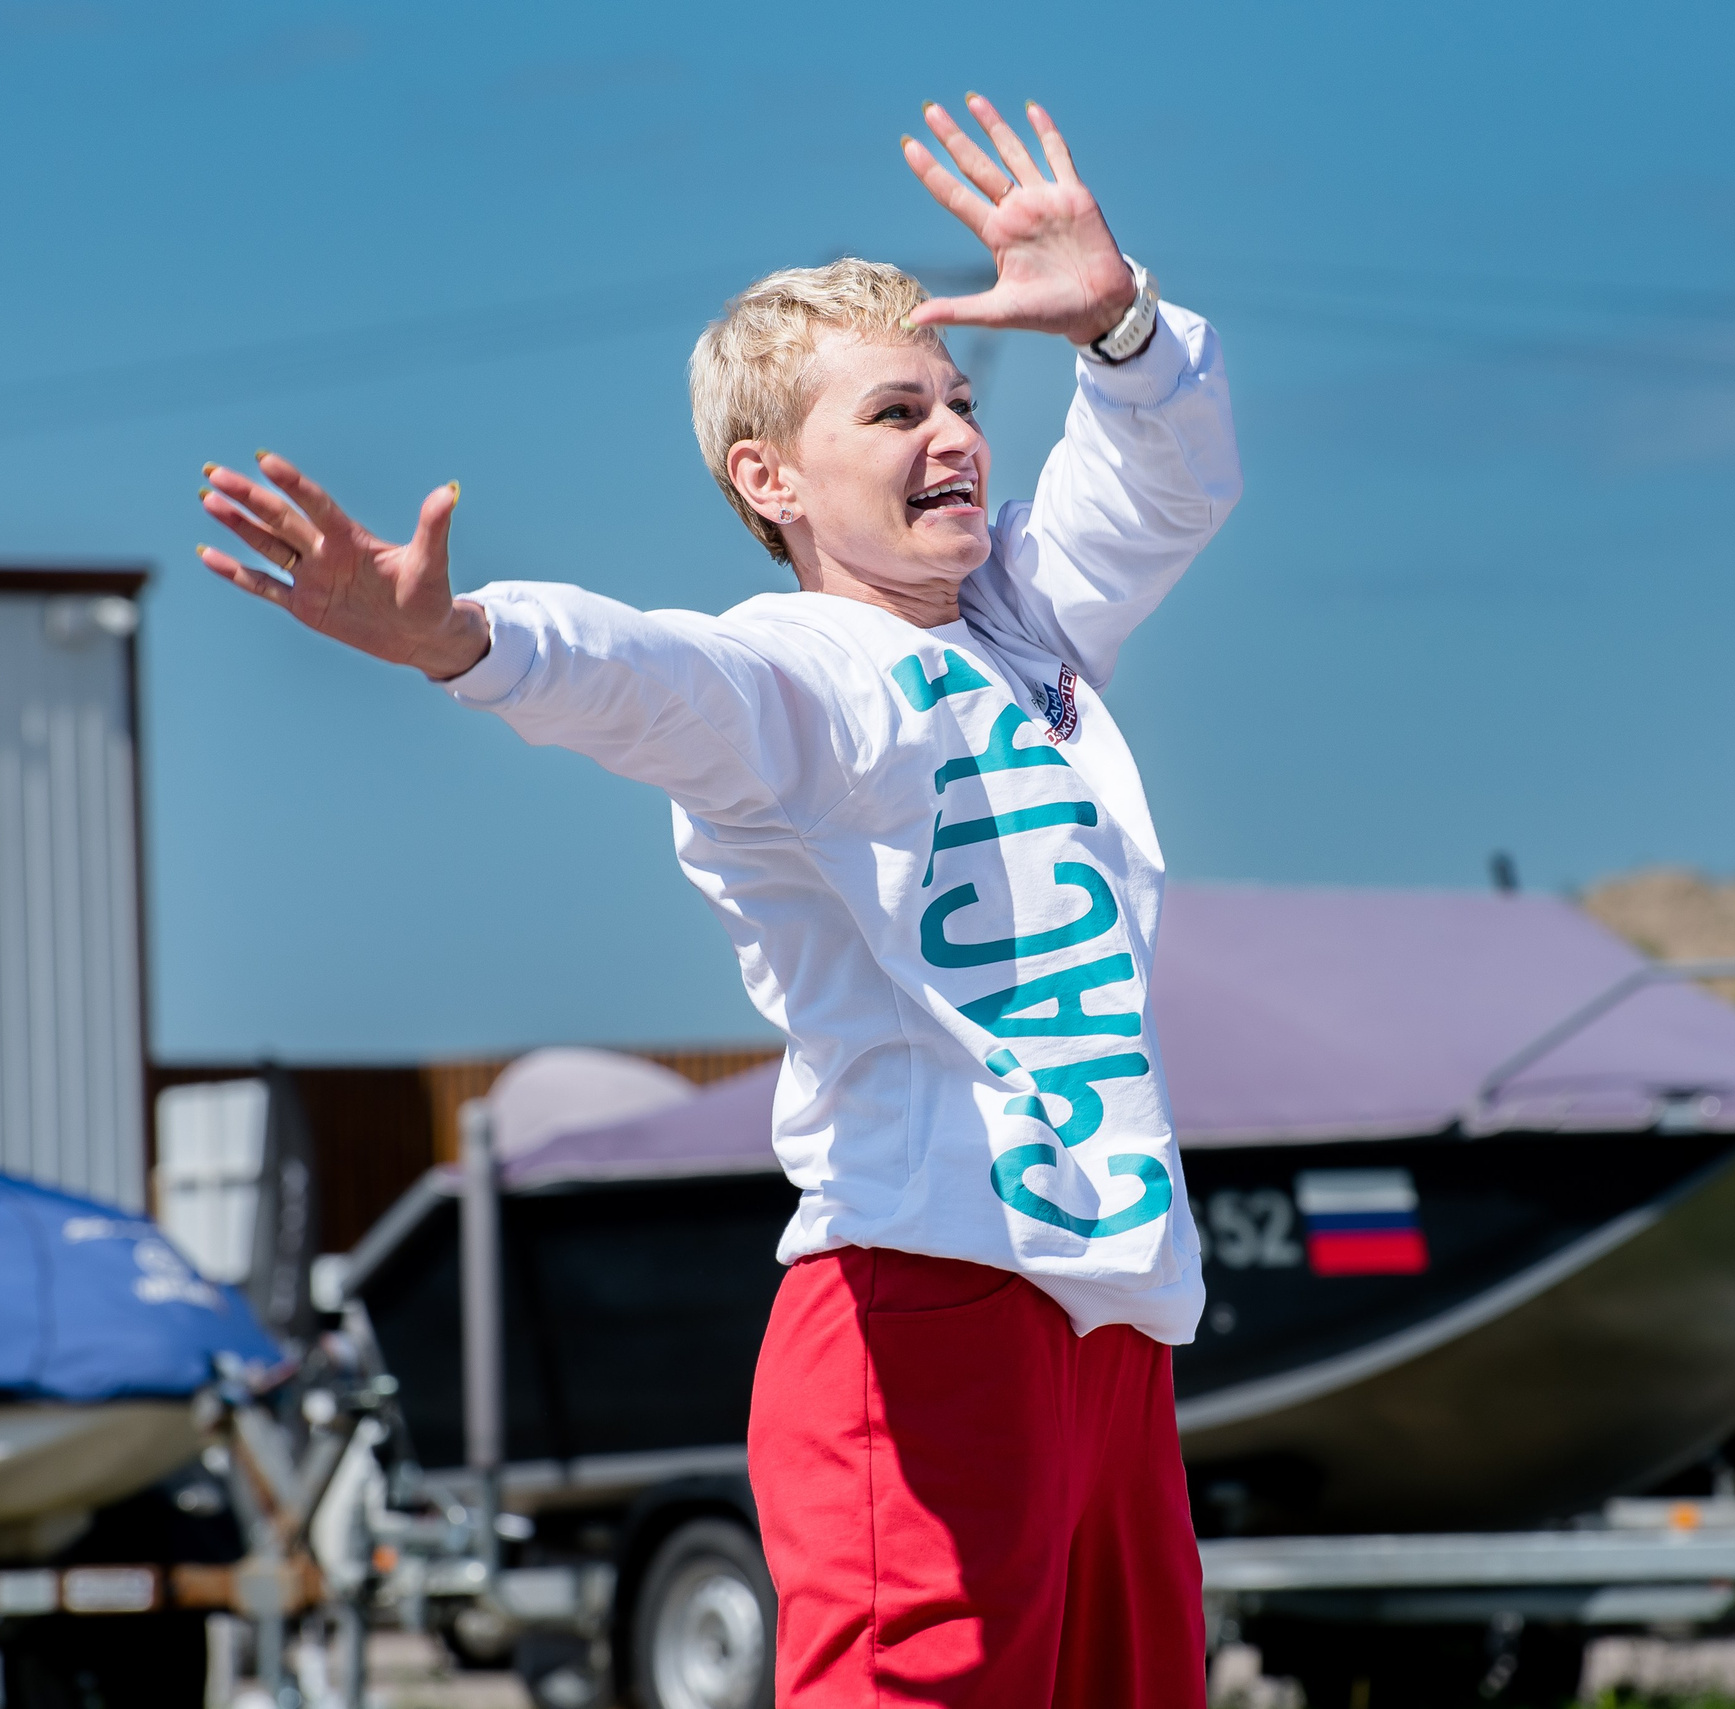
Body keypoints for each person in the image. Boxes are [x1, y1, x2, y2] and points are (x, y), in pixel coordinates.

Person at [198, 95, 1237, 1708]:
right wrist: (463, 637)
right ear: (772, 479)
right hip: (928, 1302)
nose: (953, 433)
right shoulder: (806, 675)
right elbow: (649, 676)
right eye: (894, 411)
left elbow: (1169, 477)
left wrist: (1115, 320)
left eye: (959, 397)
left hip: (1113, 1315)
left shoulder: (1023, 626)